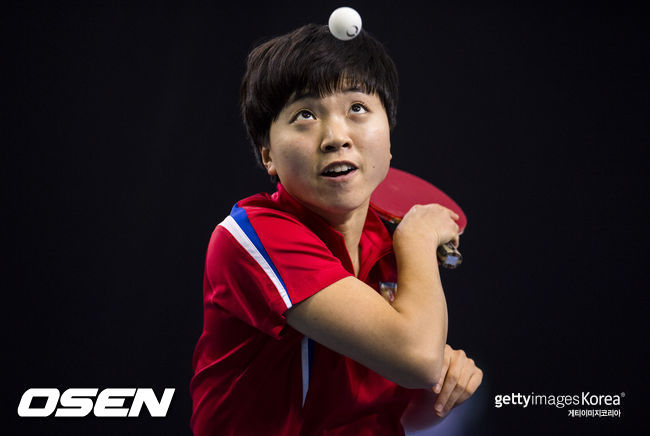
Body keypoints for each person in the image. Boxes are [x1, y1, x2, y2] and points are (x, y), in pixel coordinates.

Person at [190, 23, 482, 435]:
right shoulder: (251, 237)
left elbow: (404, 407)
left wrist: (442, 390)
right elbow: (417, 357)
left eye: (357, 108)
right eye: (305, 115)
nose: (335, 137)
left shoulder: (386, 241)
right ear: (268, 154)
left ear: (389, 136)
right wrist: (417, 238)